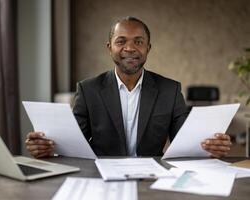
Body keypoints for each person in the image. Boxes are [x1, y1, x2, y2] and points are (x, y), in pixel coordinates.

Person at [25, 16, 232, 158]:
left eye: (139, 41)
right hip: (102, 176)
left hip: (153, 176)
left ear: (148, 48)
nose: (130, 48)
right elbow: (73, 142)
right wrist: (46, 147)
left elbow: (186, 140)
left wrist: (210, 147)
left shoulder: (170, 90)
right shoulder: (88, 90)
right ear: (110, 48)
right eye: (121, 41)